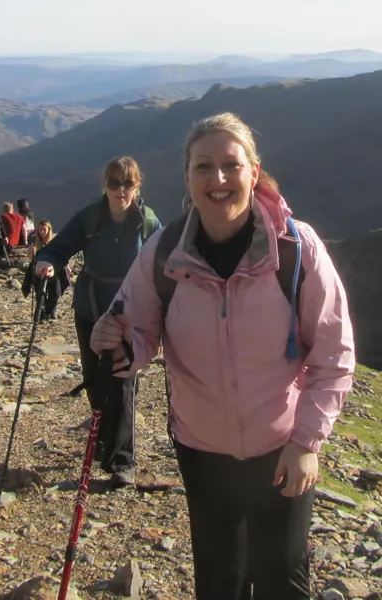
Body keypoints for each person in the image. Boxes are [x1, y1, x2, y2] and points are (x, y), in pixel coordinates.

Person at [90, 112, 355, 599]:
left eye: (231, 166)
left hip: (282, 446)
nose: (218, 179)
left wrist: (306, 443)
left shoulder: (298, 249)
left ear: (254, 173)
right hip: (202, 448)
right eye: (203, 167)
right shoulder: (163, 252)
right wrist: (121, 344)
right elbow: (140, 333)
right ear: (187, 177)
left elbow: (334, 355)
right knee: (219, 580)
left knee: (282, 580)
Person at [34, 156, 162, 487]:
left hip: (129, 314)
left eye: (128, 183)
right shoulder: (90, 218)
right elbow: (59, 247)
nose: (121, 190)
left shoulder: (148, 222)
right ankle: (105, 439)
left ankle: (122, 461)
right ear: (105, 185)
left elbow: (165, 261)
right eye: (114, 183)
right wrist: (46, 262)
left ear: (138, 185)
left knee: (122, 380)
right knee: (94, 378)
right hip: (91, 309)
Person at [21, 220, 67, 322]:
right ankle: (40, 313)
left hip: (53, 270)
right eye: (40, 229)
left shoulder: (55, 242)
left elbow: (61, 255)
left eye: (44, 229)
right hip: (39, 270)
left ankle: (50, 310)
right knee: (39, 291)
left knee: (55, 292)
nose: (42, 232)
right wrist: (32, 253)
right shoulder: (35, 242)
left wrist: (66, 266)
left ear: (49, 230)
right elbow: (31, 259)